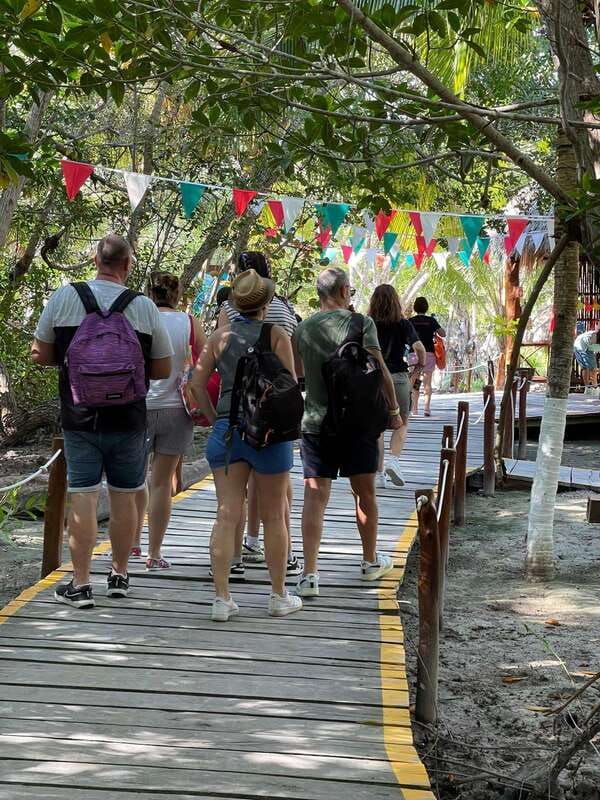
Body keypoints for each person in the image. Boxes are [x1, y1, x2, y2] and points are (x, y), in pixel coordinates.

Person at [31, 234, 173, 608]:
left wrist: (73, 362)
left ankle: (80, 584)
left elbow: (39, 353)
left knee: (84, 494)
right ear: (128, 265)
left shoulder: (64, 297)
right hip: (129, 419)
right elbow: (163, 368)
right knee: (125, 496)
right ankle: (119, 575)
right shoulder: (143, 306)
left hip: (79, 417)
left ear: (95, 261)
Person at [190, 268, 303, 621]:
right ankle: (278, 595)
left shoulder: (218, 338)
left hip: (227, 431)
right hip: (268, 433)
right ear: (266, 302)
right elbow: (289, 385)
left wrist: (216, 418)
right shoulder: (277, 334)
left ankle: (221, 598)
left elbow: (195, 385)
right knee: (274, 515)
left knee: (226, 513)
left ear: (236, 304)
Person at [293, 268, 402, 598]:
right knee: (364, 493)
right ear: (343, 291)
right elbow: (380, 369)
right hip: (358, 422)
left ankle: (310, 575)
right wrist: (394, 412)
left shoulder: (303, 328)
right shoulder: (361, 323)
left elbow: (298, 373)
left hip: (316, 423)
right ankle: (369, 561)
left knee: (315, 497)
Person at [218, 251, 301, 575]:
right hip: (272, 411)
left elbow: (220, 359)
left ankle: (235, 557)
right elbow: (289, 376)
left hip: (234, 410)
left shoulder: (228, 310)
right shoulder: (283, 310)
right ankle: (283, 560)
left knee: (233, 498)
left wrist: (215, 416)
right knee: (277, 497)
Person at [131, 271, 207, 570]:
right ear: (177, 295)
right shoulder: (189, 322)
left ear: (149, 293)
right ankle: (154, 553)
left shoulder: (137, 318)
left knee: (134, 479)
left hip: (139, 407)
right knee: (162, 483)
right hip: (177, 408)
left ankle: (132, 543)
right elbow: (205, 361)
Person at [368, 285, 427, 489]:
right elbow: (419, 348)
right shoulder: (403, 323)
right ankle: (393, 460)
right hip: (399, 378)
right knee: (401, 422)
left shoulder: (367, 323)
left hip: (374, 378)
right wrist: (419, 367)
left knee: (377, 427)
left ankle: (378, 475)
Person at [408, 296, 446, 417]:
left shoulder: (410, 321)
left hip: (414, 354)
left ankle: (414, 409)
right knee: (427, 382)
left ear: (415, 307)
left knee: (415, 382)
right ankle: (426, 409)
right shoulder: (431, 321)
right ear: (426, 307)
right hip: (428, 354)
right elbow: (443, 333)